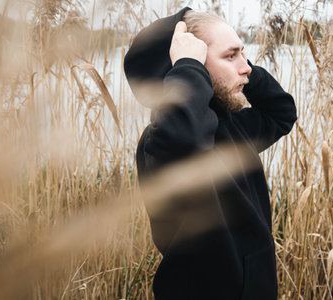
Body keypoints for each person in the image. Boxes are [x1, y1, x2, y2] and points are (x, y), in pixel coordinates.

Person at [124, 7, 297, 300]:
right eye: (231, 56)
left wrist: (237, 72)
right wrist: (191, 65)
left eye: (243, 53)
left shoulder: (230, 127)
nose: (247, 67)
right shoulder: (162, 141)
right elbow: (187, 142)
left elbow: (281, 114)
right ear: (188, 68)